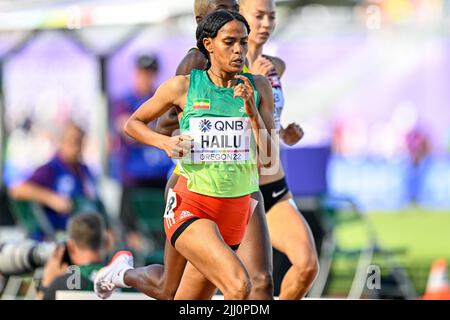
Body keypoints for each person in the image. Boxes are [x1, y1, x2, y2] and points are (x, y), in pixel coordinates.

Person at [95, 0, 274, 301]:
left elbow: (269, 158)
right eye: (229, 43)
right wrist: (166, 143)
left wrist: (252, 113)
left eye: (243, 43)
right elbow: (133, 124)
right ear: (209, 44)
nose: (238, 51)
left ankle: (120, 273)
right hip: (191, 201)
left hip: (235, 208)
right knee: (239, 285)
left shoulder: (257, 88)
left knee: (174, 293)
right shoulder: (183, 85)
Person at [239, 0, 319, 299]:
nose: (266, 24)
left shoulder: (275, 66)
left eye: (271, 17)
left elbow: (269, 122)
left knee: (307, 265)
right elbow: (230, 124)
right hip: (239, 190)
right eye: (258, 16)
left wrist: (285, 133)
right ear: (240, 15)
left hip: (273, 185)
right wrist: (251, 78)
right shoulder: (227, 67)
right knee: (252, 285)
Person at [110, 54, 173, 251]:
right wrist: (156, 134)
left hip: (160, 179)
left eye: (151, 73)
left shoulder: (161, 98)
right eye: (143, 73)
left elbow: (171, 128)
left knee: (163, 233)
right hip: (134, 181)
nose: (147, 77)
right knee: (131, 235)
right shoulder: (125, 101)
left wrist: (145, 131)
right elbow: (127, 130)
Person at [8, 121, 105, 241]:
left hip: (88, 235)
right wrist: (51, 198)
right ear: (62, 142)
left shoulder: (85, 170)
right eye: (73, 141)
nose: (77, 147)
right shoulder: (51, 169)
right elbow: (17, 189)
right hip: (59, 236)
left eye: (80, 142)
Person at [35, 213, 107, 300]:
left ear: (71, 246)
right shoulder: (121, 280)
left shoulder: (62, 284)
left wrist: (46, 283)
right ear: (104, 242)